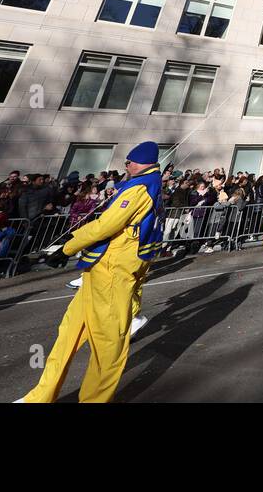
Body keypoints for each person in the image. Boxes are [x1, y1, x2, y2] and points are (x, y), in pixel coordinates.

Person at [19, 141, 165, 403]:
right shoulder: (144, 185)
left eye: (129, 161)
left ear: (140, 162)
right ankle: (39, 397)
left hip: (112, 271)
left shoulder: (141, 188)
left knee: (107, 346)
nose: (126, 165)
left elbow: (105, 226)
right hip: (99, 271)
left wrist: (67, 248)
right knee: (68, 335)